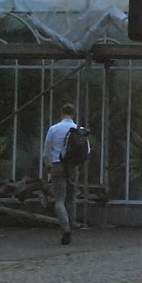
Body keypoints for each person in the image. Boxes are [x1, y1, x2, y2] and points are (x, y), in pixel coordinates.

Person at [44, 102, 81, 245]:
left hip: (57, 165)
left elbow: (47, 150)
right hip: (73, 167)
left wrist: (48, 165)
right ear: (74, 114)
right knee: (71, 199)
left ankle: (65, 229)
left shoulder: (54, 129)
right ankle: (71, 225)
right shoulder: (79, 130)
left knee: (59, 200)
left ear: (61, 113)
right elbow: (87, 151)